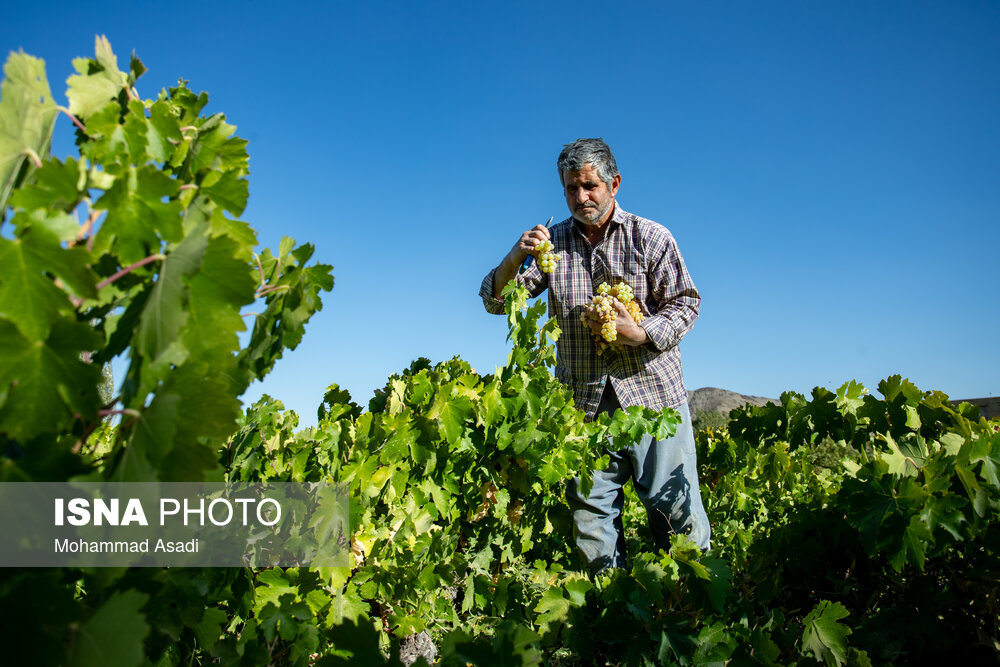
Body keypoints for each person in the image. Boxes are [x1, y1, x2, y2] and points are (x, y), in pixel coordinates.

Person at [478, 138, 710, 573]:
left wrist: (639, 332)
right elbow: (497, 302)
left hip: (653, 400)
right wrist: (516, 254)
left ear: (614, 183)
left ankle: (689, 612)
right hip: (583, 407)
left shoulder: (651, 237)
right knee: (591, 523)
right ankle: (611, 617)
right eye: (570, 188)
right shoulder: (553, 245)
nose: (580, 197)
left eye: (589, 186)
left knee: (675, 514)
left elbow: (687, 303)